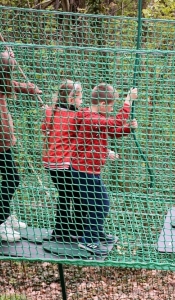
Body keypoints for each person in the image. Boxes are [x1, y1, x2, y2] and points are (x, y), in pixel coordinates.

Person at [71, 83, 138, 255]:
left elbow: (113, 131)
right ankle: (89, 240)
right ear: (101, 104)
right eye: (110, 105)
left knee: (97, 204)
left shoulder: (97, 117)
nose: (112, 108)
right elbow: (114, 121)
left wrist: (127, 129)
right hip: (84, 171)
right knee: (101, 205)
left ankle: (96, 233)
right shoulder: (91, 118)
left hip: (89, 169)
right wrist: (128, 101)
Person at [0, 50, 42, 242]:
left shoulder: (3, 81)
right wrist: (7, 59)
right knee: (12, 178)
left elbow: (9, 83)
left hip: (4, 143)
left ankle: (5, 216)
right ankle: (1, 222)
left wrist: (29, 88)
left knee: (12, 178)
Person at [41, 80, 86, 241]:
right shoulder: (75, 116)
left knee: (65, 194)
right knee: (79, 195)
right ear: (72, 99)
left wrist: (48, 111)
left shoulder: (51, 113)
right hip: (64, 165)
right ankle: (77, 230)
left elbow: (44, 128)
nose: (82, 101)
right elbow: (85, 137)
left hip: (50, 165)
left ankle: (61, 229)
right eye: (80, 98)